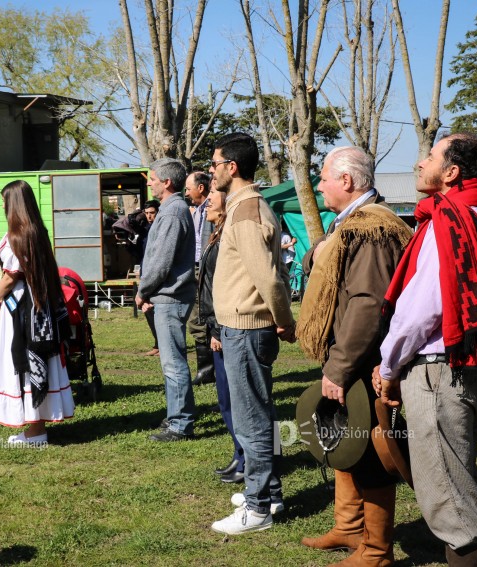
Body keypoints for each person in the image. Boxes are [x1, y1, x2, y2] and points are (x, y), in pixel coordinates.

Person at [373, 132, 477, 566]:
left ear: (450, 172)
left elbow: (419, 312)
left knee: (449, 497)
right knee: (459, 480)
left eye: (429, 157)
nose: (419, 163)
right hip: (473, 365)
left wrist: (389, 366)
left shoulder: (447, 223)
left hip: (439, 370)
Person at [296, 147, 413, 565]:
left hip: (364, 359)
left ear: (346, 181)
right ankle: (349, 527)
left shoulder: (371, 228)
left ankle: (377, 550)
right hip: (353, 354)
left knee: (368, 449)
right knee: (345, 439)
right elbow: (320, 265)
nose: (319, 185)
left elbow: (367, 303)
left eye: (324, 178)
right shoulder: (349, 223)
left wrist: (340, 367)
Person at [209, 132, 295, 535]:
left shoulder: (245, 210)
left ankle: (258, 507)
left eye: (214, 164)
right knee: (260, 413)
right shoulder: (245, 206)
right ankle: (270, 493)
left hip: (246, 328)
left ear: (232, 167)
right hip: (244, 326)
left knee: (251, 420)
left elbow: (269, 277)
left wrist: (284, 319)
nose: (211, 172)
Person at [0, 180, 75, 444]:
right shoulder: (36, 231)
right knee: (33, 361)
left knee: (25, 362)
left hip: (24, 310)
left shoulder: (20, 235)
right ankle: (36, 426)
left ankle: (36, 431)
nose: (3, 205)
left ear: (14, 203)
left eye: (5, 201)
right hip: (36, 307)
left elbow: (11, 276)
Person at [135, 158, 197, 442]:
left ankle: (180, 424)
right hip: (168, 295)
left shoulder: (173, 212)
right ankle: (177, 415)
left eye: (152, 178)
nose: (149, 183)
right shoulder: (172, 209)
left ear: (167, 182)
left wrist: (143, 290)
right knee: (171, 361)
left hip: (171, 297)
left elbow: (161, 261)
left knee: (173, 363)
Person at [196, 189, 244, 483]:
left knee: (235, 400)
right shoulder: (216, 234)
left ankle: (249, 458)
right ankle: (240, 453)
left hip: (225, 326)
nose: (206, 205)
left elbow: (221, 286)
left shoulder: (228, 236)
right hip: (219, 325)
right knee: (226, 400)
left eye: (211, 200)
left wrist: (215, 328)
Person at [185, 171, 216, 387]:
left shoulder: (213, 208)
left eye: (189, 189)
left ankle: (209, 369)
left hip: (208, 269)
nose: (187, 193)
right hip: (195, 268)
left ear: (201, 188)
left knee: (207, 314)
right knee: (195, 317)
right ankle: (205, 369)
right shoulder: (196, 211)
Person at [140, 200, 161, 356]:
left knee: (156, 310)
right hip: (145, 272)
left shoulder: (160, 228)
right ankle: (157, 343)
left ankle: (161, 344)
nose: (149, 216)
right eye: (146, 213)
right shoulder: (145, 230)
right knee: (147, 309)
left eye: (152, 213)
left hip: (156, 274)